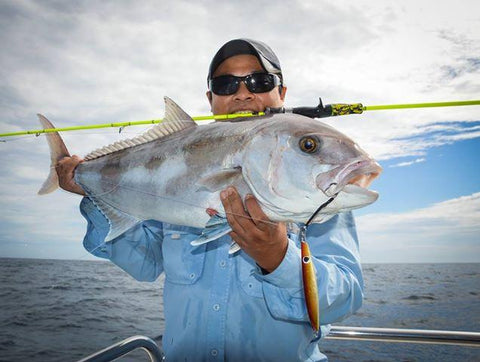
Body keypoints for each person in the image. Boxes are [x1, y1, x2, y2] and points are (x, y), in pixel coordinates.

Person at [57, 39, 364, 361]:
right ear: (211, 98)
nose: (242, 93)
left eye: (260, 81)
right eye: (226, 84)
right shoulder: (174, 167)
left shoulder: (319, 197)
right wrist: (93, 191)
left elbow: (344, 298)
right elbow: (144, 263)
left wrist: (278, 257)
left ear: (281, 93)